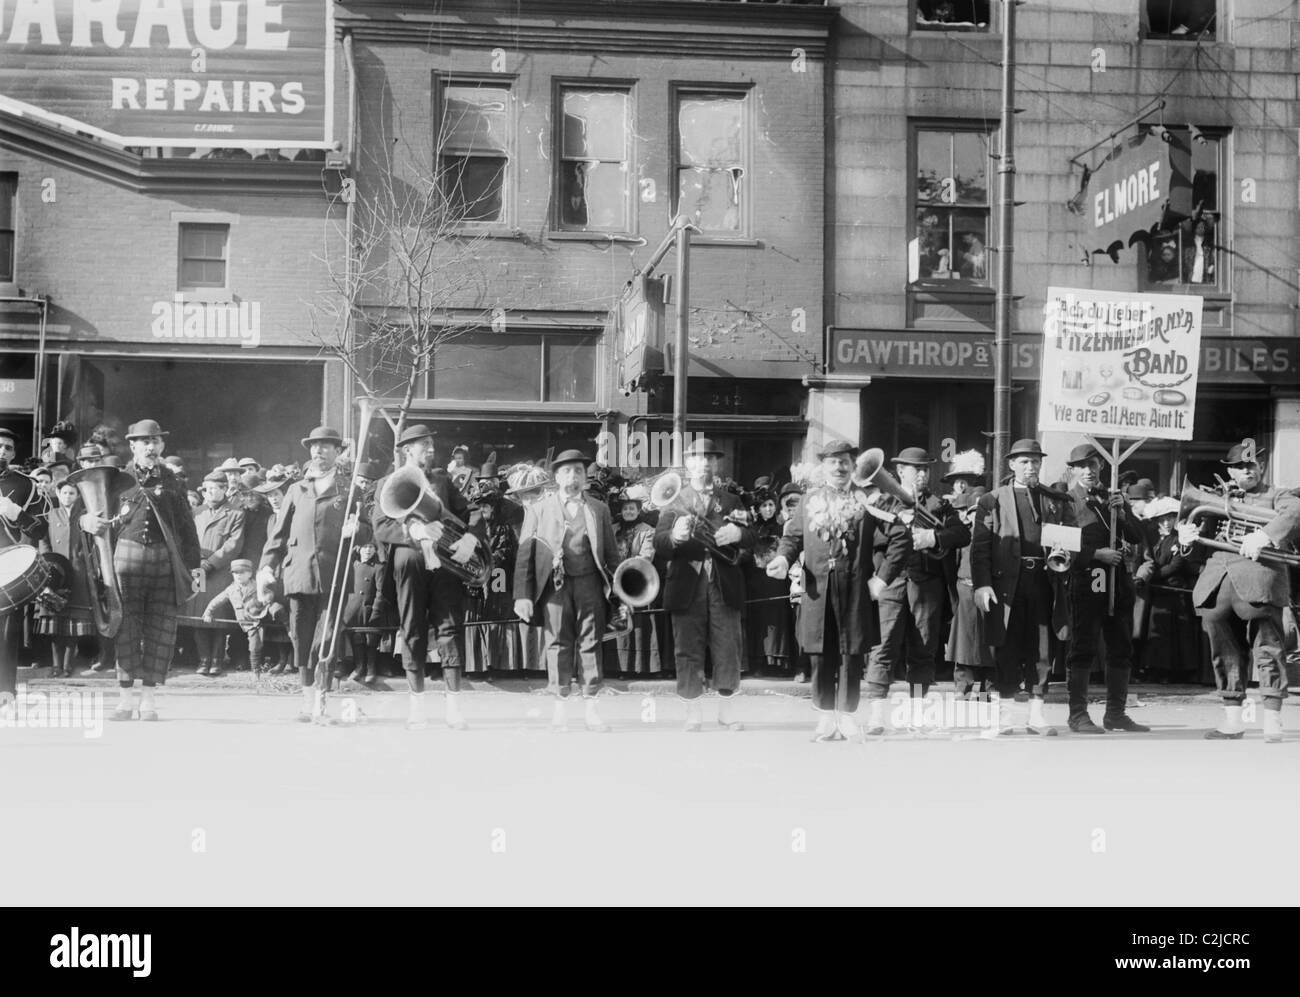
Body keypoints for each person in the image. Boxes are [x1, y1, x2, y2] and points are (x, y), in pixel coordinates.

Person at [80, 420, 201, 722]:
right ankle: (124, 701)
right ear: (132, 445)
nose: (150, 446)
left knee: (160, 630)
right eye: (144, 441)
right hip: (126, 562)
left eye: (155, 441)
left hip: (164, 562)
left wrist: (195, 566)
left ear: (162, 446)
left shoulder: (173, 481)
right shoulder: (116, 479)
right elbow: (88, 515)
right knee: (126, 630)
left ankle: (148, 701)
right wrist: (86, 521)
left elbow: (187, 528)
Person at [1177, 442, 1300, 741]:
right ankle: (1233, 720)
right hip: (1218, 586)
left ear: (1260, 467)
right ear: (1230, 471)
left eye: (1252, 465)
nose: (1247, 470)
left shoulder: (1278, 494)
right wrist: (1185, 538)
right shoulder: (1218, 496)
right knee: (1224, 653)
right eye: (1240, 467)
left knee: (1268, 650)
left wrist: (1265, 535)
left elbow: (1295, 511)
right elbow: (1197, 543)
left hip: (1260, 582)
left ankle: (1272, 719)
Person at [768, 439, 881, 741]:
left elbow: (894, 538)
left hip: (854, 587)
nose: (840, 467)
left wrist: (881, 576)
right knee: (819, 652)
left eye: (845, 461)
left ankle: (846, 717)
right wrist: (781, 559)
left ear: (853, 465)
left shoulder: (867, 500)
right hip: (818, 588)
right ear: (824, 467)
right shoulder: (808, 500)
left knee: (850, 652)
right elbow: (792, 538)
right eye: (833, 462)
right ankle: (825, 716)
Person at [371, 424, 482, 730]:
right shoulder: (386, 482)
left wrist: (470, 538)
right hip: (409, 561)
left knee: (449, 630)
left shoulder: (443, 480)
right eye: (425, 446)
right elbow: (380, 525)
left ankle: (453, 707)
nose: (432, 450)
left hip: (445, 563)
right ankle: (417, 706)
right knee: (412, 631)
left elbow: (471, 511)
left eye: (432, 445)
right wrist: (414, 530)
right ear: (408, 450)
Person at [259, 426, 365, 724]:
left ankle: (321, 702)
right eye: (314, 447)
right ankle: (307, 701)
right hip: (298, 575)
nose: (318, 451)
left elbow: (367, 530)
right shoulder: (296, 489)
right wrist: (267, 565)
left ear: (337, 452)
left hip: (334, 576)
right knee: (301, 639)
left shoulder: (349, 489)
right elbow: (278, 535)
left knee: (327, 639)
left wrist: (358, 530)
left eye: (326, 447)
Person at [970, 439, 1072, 735]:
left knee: (1041, 649)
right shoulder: (992, 499)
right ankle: (1004, 717)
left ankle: (1036, 716)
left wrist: (1065, 554)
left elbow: (1070, 541)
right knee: (1006, 647)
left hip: (1043, 580)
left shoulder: (1057, 500)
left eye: (1036, 461)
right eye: (1024, 462)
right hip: (1005, 585)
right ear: (1011, 464)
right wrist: (983, 584)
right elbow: (980, 548)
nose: (1031, 467)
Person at [653, 438, 754, 731]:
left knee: (728, 647)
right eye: (698, 459)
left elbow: (751, 538)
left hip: (723, 582)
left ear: (716, 464)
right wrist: (675, 536)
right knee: (687, 648)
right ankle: (693, 714)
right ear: (688, 464)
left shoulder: (732, 500)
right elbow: (660, 543)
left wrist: (737, 535)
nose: (704, 464)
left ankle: (726, 713)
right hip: (687, 583)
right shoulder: (674, 500)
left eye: (710, 458)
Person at [513, 451, 617, 731]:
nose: (573, 476)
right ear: (557, 477)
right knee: (557, 643)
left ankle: (591, 710)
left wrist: (620, 593)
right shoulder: (538, 509)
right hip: (554, 586)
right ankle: (560, 709)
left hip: (590, 583)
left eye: (579, 471)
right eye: (567, 471)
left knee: (591, 643)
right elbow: (525, 554)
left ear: (585, 477)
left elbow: (611, 554)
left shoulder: (599, 509)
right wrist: (522, 594)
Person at [867, 446, 970, 720]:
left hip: (927, 584)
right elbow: (870, 538)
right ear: (900, 471)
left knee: (923, 647)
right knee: (883, 645)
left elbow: (961, 534)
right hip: (891, 582)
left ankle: (915, 710)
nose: (923, 474)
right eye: (917, 469)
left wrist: (933, 538)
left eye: (926, 468)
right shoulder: (883, 502)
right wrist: (899, 528)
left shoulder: (939, 505)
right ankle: (876, 711)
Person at [1060, 443, 1149, 734]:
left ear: (1101, 468)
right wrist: (1095, 554)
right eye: (1082, 466)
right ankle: (1078, 715)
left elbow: (1137, 536)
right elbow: (1056, 541)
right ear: (1072, 470)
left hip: (1119, 583)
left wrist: (1122, 513)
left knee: (1121, 648)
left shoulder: (1112, 499)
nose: (1089, 471)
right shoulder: (1065, 500)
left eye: (1094, 465)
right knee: (1083, 647)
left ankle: (1116, 714)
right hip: (1089, 580)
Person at [0, 428, 49, 713]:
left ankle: (5, 694)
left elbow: (41, 527)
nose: (2, 451)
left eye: (8, 447)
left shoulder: (25, 485)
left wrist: (17, 514)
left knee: (6, 633)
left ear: (14, 453)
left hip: (7, 561)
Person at [187, 470, 246, 677]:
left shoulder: (236, 514)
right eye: (207, 489)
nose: (210, 493)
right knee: (197, 615)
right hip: (198, 570)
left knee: (219, 616)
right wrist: (196, 561)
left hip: (220, 571)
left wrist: (210, 564)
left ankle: (217, 660)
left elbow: (233, 546)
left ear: (224, 490)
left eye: (215, 489)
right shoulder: (197, 513)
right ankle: (203, 659)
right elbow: (188, 539)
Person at [1135, 496, 1201, 683]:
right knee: (1158, 634)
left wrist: (1150, 576)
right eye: (1162, 519)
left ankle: (1177, 672)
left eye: (1170, 518)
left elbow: (1176, 564)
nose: (1165, 522)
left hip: (1174, 592)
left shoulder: (1180, 539)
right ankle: (1156, 669)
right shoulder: (1152, 538)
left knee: (1177, 636)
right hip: (1157, 594)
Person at [36, 481, 97, 677]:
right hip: (56, 574)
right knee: (55, 624)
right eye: (65, 493)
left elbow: (95, 543)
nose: (68, 496)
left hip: (79, 575)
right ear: (58, 494)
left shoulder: (85, 516)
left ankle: (67, 665)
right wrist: (48, 562)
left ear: (78, 495)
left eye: (72, 493)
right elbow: (43, 540)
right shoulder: (51, 515)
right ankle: (56, 666)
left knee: (72, 625)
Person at [947, 488, 994, 700]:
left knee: (989, 641)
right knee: (963, 641)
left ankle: (988, 686)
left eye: (983, 512)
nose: (979, 516)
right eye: (975, 511)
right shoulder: (963, 536)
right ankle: (962, 685)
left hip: (988, 593)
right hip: (964, 590)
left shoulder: (996, 537)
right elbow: (951, 565)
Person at [202, 559, 281, 679]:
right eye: (235, 573)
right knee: (240, 642)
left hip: (256, 620)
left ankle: (256, 672)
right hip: (242, 622)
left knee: (255, 646)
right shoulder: (230, 590)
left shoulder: (257, 586)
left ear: (250, 574)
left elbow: (269, 593)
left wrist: (267, 598)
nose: (238, 576)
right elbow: (217, 601)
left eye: (242, 572)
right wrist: (208, 612)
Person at [744, 485, 793, 677]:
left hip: (776, 580)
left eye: (771, 505)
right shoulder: (751, 529)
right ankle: (760, 661)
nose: (769, 509)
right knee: (759, 621)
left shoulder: (782, 528)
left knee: (777, 619)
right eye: (764, 505)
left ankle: (778, 661)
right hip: (756, 580)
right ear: (757, 508)